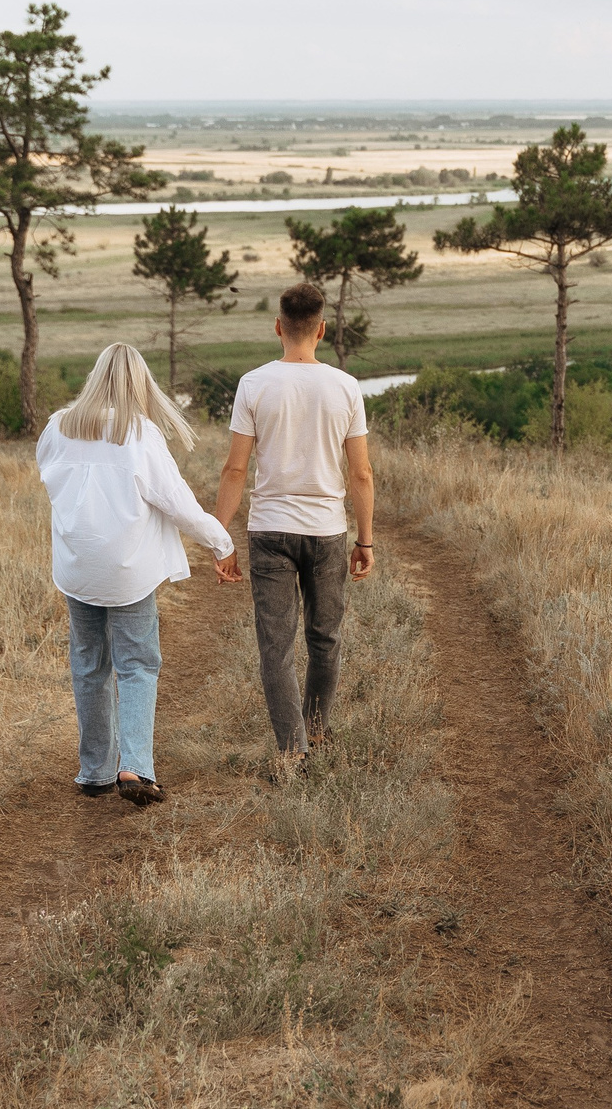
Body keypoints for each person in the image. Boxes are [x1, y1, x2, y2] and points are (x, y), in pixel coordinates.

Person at [35, 341, 233, 806]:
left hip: (77, 565)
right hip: (127, 571)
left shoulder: (58, 426)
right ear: (139, 383)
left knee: (88, 664)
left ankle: (94, 771)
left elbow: (50, 477)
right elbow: (177, 502)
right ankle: (135, 767)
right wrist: (221, 543)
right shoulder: (140, 434)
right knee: (138, 664)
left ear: (95, 378)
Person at [212, 282, 374, 777]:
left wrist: (221, 541)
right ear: (321, 330)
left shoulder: (254, 384)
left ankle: (292, 751)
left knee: (276, 645)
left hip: (269, 532)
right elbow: (361, 474)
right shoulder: (345, 386)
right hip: (327, 532)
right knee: (325, 636)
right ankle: (317, 729)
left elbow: (235, 471)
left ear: (278, 327)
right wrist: (365, 539)